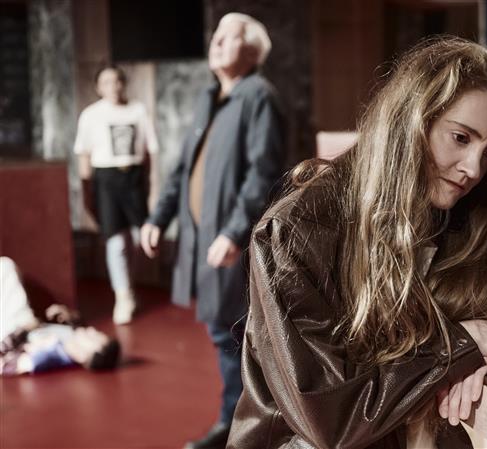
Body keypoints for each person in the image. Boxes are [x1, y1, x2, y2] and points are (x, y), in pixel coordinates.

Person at [227, 36, 487, 449]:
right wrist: (463, 344)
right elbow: (330, 419)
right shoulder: (297, 228)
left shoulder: (465, 213)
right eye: (461, 138)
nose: (473, 169)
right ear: (411, 120)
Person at [140, 12, 286, 449]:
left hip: (231, 243)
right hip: (203, 239)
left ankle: (235, 426)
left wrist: (234, 231)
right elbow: (182, 169)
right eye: (216, 35)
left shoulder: (259, 96)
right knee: (223, 332)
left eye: (229, 36)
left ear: (253, 52)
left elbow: (263, 173)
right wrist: (158, 217)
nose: (217, 42)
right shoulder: (210, 99)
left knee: (236, 336)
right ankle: (239, 422)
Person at [74, 65, 160, 325]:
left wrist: (150, 185)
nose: (113, 86)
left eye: (117, 81)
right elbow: (84, 155)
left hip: (133, 177)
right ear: (98, 87)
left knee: (138, 238)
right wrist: (86, 191)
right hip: (105, 179)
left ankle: (128, 286)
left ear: (124, 84)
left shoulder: (138, 110)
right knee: (115, 241)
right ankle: (123, 296)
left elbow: (149, 152)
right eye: (106, 82)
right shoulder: (91, 114)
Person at [0, 257, 121, 376]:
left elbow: (5, 364)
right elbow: (79, 327)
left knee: (6, 267)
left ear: (84, 355)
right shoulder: (72, 339)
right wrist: (68, 316)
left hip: (11, 329)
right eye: (97, 333)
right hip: (26, 321)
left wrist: (25, 329)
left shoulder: (46, 356)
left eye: (93, 337)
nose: (92, 330)